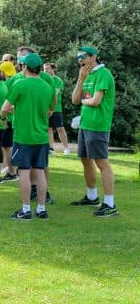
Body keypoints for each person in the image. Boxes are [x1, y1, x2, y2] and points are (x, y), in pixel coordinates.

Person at [1, 52, 53, 220]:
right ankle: (41, 209)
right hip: (42, 137)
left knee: (23, 172)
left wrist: (3, 117)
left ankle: (25, 210)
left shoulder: (20, 85)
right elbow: (48, 110)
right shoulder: (47, 86)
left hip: (23, 136)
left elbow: (4, 108)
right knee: (40, 172)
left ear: (24, 67)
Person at [69, 45, 118, 217]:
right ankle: (92, 197)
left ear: (93, 56)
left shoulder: (103, 74)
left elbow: (96, 101)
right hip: (85, 125)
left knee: (102, 163)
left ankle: (110, 203)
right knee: (85, 160)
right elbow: (75, 100)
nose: (80, 60)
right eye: (78, 57)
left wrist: (84, 101)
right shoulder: (86, 74)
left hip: (98, 125)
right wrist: (80, 80)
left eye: (83, 56)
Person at [43, 62, 71, 154]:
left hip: (56, 109)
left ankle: (66, 148)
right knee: (48, 129)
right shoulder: (43, 80)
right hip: (45, 109)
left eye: (47, 68)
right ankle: (51, 148)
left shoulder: (57, 80)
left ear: (53, 69)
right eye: (44, 69)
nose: (45, 70)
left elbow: (54, 93)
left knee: (60, 128)